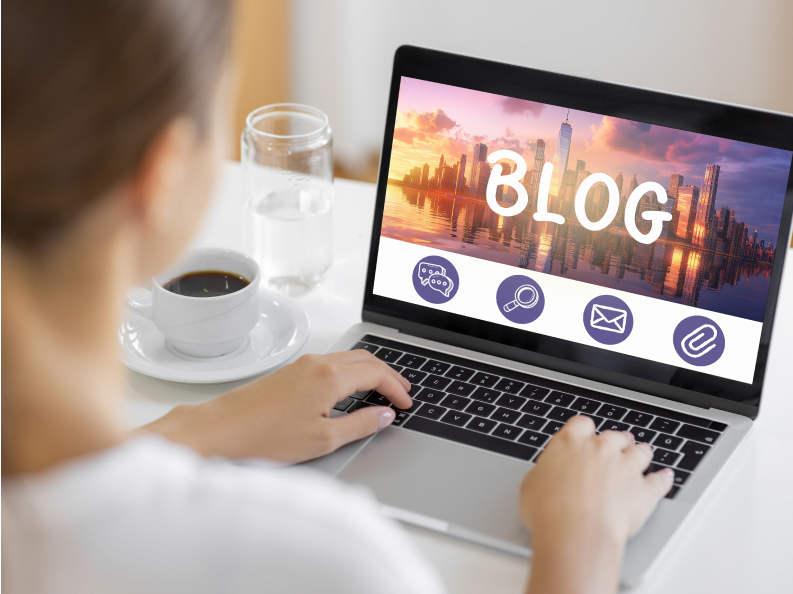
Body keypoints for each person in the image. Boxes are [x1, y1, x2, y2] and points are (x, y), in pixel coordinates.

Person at [0, 0, 674, 592]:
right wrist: (579, 539)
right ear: (162, 176)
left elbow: (69, 494)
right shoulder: (326, 561)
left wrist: (201, 429)